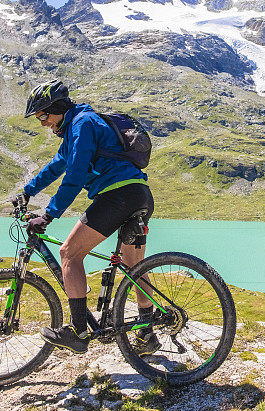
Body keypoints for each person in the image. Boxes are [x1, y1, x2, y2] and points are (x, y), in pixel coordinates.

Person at [16, 79, 158, 355]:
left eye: (43, 115)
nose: (42, 123)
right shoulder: (77, 127)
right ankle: (147, 332)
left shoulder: (82, 124)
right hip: (139, 195)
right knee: (134, 267)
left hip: (116, 198)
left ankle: (79, 331)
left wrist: (49, 214)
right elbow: (57, 165)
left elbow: (75, 175)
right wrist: (27, 191)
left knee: (69, 253)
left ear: (56, 108)